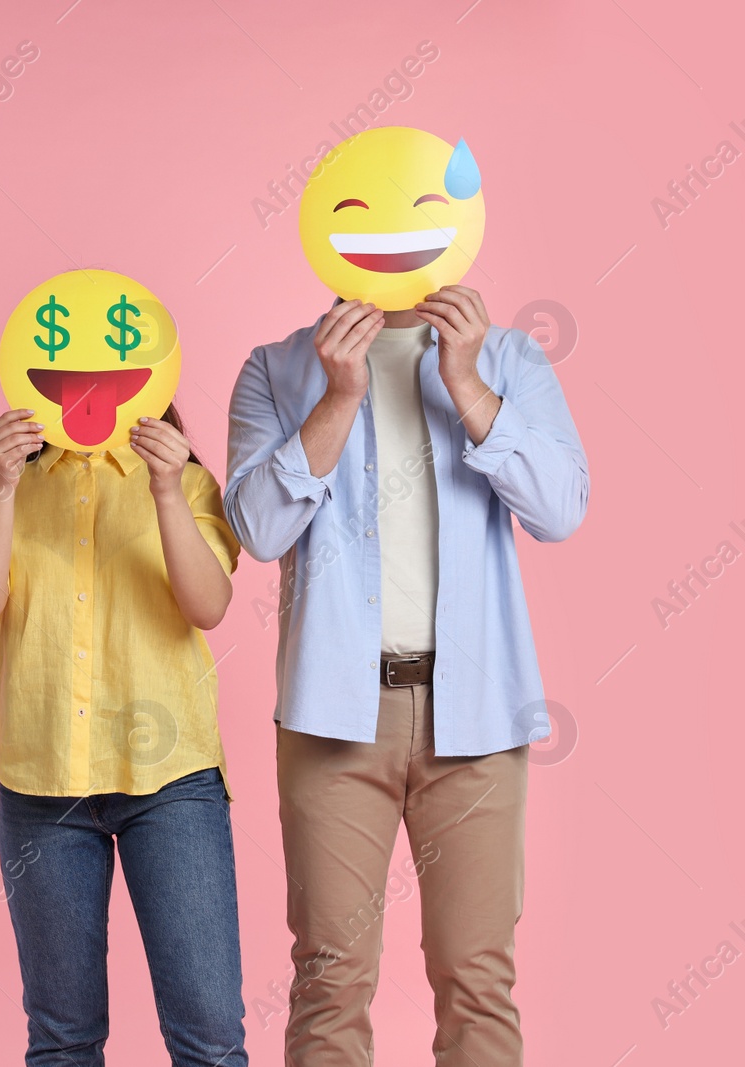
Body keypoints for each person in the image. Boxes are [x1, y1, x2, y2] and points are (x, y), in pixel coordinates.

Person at [223, 287, 589, 1066]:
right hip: (333, 718)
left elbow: (559, 509)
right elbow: (256, 529)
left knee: (478, 979)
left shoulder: (508, 359)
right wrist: (340, 395)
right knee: (329, 978)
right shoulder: (278, 369)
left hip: (478, 715)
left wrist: (466, 382)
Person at [0, 404, 248, 1067]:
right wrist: (0, 486)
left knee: (209, 1037)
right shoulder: (7, 483)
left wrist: (168, 490)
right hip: (43, 786)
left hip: (172, 784)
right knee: (63, 1040)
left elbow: (210, 604)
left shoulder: (188, 481)